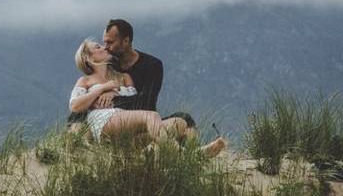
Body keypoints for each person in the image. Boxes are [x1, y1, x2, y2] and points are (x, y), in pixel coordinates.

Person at [70, 39, 226, 156]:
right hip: (105, 121)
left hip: (129, 124)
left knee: (179, 123)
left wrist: (114, 92)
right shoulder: (85, 81)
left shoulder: (124, 78)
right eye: (97, 47)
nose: (103, 47)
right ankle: (187, 157)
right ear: (88, 57)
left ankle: (148, 153)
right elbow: (75, 106)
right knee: (151, 116)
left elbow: (136, 104)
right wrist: (103, 88)